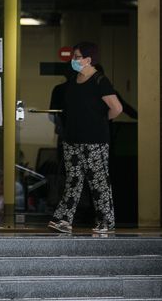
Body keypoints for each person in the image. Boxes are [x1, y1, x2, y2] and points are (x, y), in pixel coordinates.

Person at [48, 42, 123, 234]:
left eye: (77, 57)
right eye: (73, 56)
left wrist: (100, 120)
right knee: (73, 179)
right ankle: (64, 219)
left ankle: (105, 221)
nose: (73, 60)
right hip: (72, 139)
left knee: (98, 180)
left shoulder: (100, 81)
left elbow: (117, 108)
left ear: (88, 60)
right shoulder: (73, 81)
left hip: (95, 140)